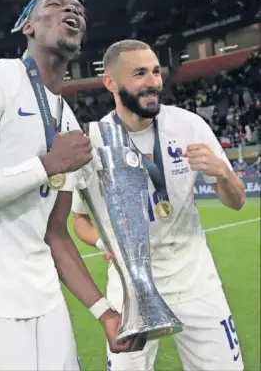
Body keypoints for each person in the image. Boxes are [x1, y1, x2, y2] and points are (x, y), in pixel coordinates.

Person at [0, 0, 132, 371]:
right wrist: (47, 164)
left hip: (46, 304)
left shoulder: (69, 121)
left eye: (78, 9)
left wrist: (105, 313)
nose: (71, 11)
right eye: (55, 5)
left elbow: (55, 233)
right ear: (28, 26)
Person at [72, 40, 246, 371]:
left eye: (155, 71)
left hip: (195, 281)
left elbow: (236, 202)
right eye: (139, 73)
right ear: (110, 82)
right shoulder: (93, 143)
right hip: (130, 289)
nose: (153, 82)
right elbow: (79, 221)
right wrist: (103, 243)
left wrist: (223, 173)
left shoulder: (188, 125)